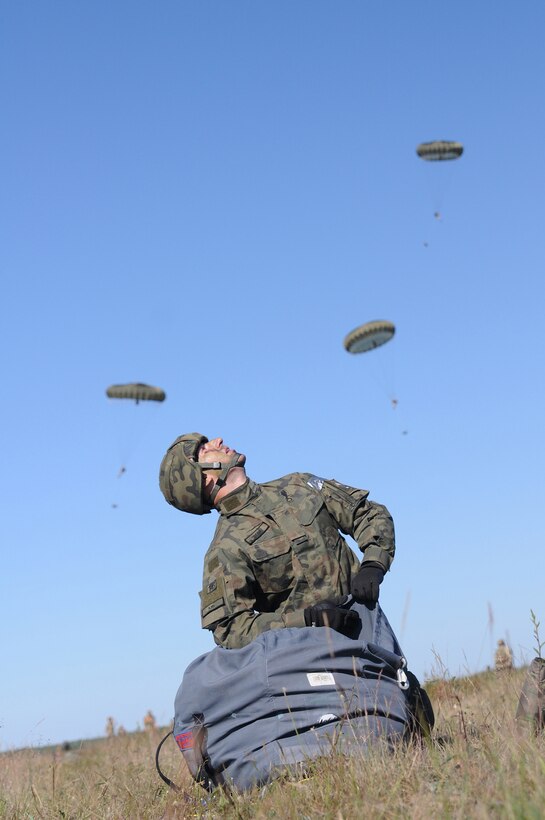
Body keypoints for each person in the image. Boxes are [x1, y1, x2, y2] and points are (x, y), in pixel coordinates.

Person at [159, 433, 395, 649]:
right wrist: (307, 620)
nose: (217, 441)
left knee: (409, 694)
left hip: (370, 628)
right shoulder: (224, 549)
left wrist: (374, 564)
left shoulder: (299, 485)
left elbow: (367, 514)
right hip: (308, 658)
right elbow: (231, 629)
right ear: (202, 478)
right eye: (203, 449)